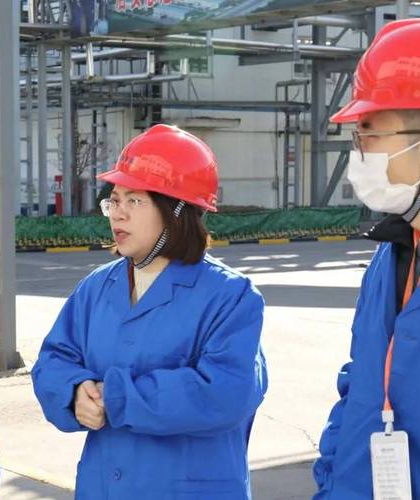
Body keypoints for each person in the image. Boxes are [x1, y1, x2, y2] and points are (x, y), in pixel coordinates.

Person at [32, 124, 267, 499]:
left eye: (134, 201)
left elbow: (227, 392)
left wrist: (119, 398)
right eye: (114, 201)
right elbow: (53, 360)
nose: (117, 215)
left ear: (176, 210)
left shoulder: (230, 296)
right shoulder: (96, 288)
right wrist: (72, 391)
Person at [314, 19, 420, 499]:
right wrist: (331, 481)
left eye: (369, 136)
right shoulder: (391, 254)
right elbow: (359, 386)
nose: (358, 155)